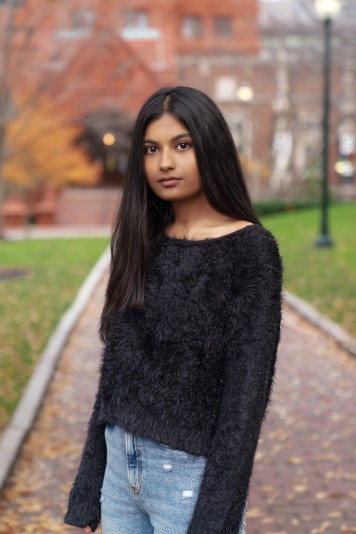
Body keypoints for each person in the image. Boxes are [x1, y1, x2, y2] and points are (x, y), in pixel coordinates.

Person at [64, 86, 283, 534]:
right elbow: (117, 372)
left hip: (188, 478)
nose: (165, 162)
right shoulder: (145, 241)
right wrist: (89, 484)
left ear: (210, 146)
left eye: (182, 145)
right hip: (120, 470)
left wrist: (214, 519)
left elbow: (245, 403)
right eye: (151, 149)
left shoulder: (250, 250)